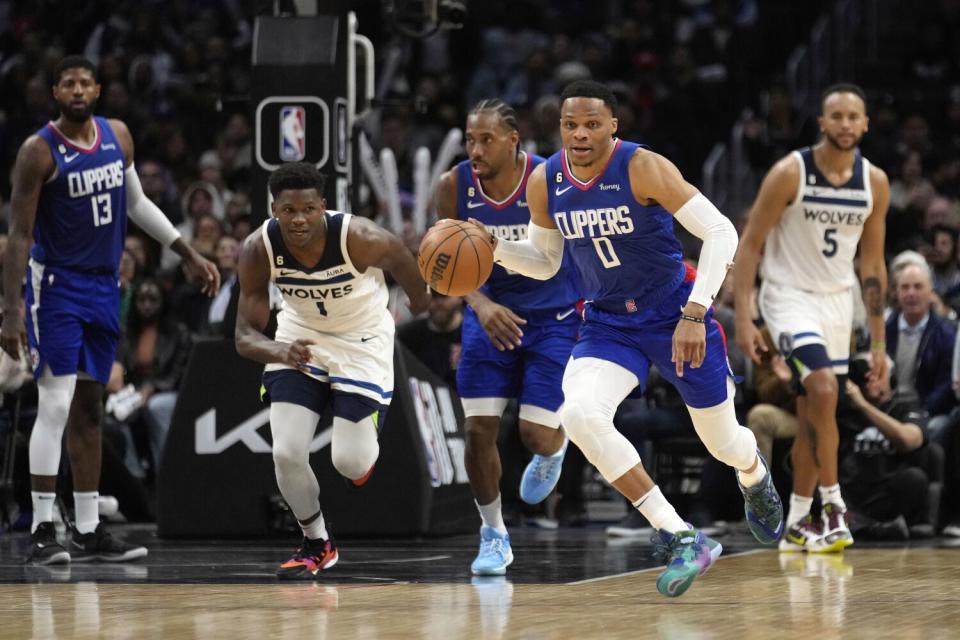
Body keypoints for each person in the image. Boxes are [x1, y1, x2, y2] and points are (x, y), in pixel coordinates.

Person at [471, 80, 784, 598]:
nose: (581, 134)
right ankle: (682, 536)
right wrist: (493, 247)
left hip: (673, 312)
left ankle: (754, 477)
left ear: (613, 126)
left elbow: (722, 232)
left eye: (593, 124)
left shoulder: (642, 167)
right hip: (608, 321)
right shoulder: (546, 181)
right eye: (571, 124)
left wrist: (695, 311)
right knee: (578, 413)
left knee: (722, 442)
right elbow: (547, 261)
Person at [1, 56, 219, 565]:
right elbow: (18, 236)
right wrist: (12, 310)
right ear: (55, 91)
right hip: (55, 286)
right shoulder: (38, 151)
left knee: (90, 410)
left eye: (85, 82)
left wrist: (185, 251)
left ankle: (89, 528)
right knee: (55, 403)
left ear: (97, 89)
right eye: (67, 83)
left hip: (103, 286)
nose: (77, 90)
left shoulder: (116, 135)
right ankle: (40, 529)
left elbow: (136, 203)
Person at [235, 161, 430, 579]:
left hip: (361, 340)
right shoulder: (258, 249)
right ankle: (317, 542)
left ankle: (367, 429)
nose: (299, 219)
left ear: (323, 206)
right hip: (299, 338)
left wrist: (426, 304)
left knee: (351, 463)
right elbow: (243, 336)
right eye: (289, 211)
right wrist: (278, 350)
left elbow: (409, 271)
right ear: (274, 210)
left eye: (308, 208)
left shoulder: (360, 237)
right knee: (286, 452)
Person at [733, 83, 890, 553]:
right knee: (822, 387)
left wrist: (878, 343)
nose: (844, 123)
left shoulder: (874, 182)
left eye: (853, 116)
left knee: (813, 411)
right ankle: (834, 505)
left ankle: (799, 520)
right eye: (836, 116)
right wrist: (745, 315)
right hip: (788, 297)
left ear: (865, 124)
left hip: (838, 303)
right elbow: (751, 244)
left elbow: (873, 265)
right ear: (822, 123)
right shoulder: (790, 172)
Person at [435, 99, 581, 576]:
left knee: (534, 435)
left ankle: (555, 447)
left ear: (513, 139)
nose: (475, 149)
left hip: (553, 317)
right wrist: (479, 304)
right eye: (469, 139)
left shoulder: (547, 180)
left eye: (486, 139)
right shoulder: (453, 186)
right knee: (478, 431)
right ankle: (494, 534)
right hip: (489, 316)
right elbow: (442, 263)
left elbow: (568, 250)